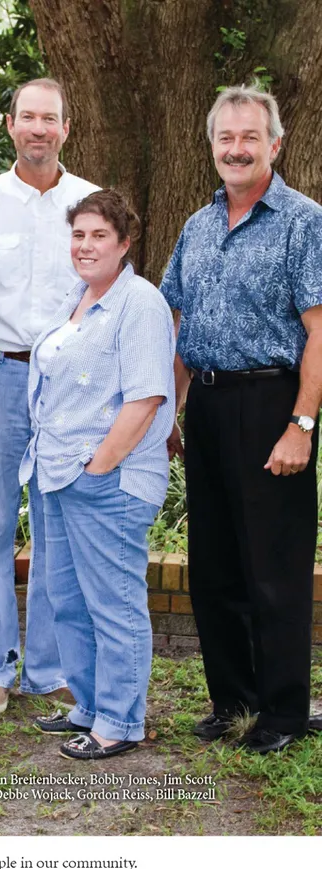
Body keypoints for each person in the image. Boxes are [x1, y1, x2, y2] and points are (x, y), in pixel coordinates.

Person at [160, 85, 322, 754]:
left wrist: (301, 425)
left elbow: (320, 331)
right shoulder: (197, 227)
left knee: (274, 568)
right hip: (208, 405)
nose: (236, 148)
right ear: (211, 146)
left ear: (274, 145)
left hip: (270, 404)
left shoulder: (304, 222)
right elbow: (179, 324)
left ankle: (283, 713)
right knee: (216, 566)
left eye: (249, 137)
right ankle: (233, 701)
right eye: (225, 137)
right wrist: (171, 412)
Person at [0, 78, 99, 714]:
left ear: (66, 128)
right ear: (10, 124)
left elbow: (108, 292)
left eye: (50, 118)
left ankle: (48, 669)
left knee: (55, 529)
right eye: (28, 117)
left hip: (68, 384)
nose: (39, 128)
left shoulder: (90, 201)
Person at [20, 189, 174, 759]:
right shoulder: (79, 297)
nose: (85, 246)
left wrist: (99, 467)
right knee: (67, 598)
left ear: (125, 243)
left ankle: (120, 721)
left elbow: (147, 397)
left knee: (114, 604)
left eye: (99, 236)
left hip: (108, 480)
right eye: (78, 234)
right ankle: (87, 705)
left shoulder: (140, 303)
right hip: (57, 473)